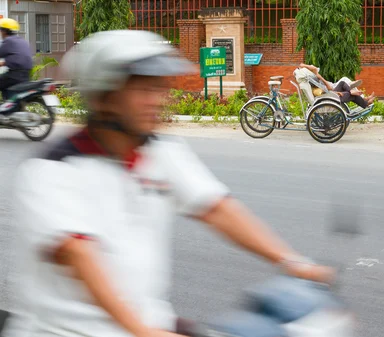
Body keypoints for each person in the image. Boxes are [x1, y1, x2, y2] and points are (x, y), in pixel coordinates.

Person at [2, 30, 334, 337]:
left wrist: (294, 263)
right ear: (104, 95)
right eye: (144, 90)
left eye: (160, 88)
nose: (158, 100)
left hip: (147, 323)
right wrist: (143, 332)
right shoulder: (51, 171)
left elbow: (217, 208)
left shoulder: (162, 152)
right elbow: (81, 257)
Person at [296, 64, 375, 109]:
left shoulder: (314, 82)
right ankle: (364, 102)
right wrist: (321, 78)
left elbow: (313, 69)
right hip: (331, 94)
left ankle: (362, 98)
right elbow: (327, 89)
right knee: (346, 85)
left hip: (331, 93)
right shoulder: (316, 85)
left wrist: (304, 66)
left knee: (345, 83)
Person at [0, 18, 33, 103]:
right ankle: (10, 105)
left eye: (1, 30)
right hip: (26, 74)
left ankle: (6, 107)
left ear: (4, 31)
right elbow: (18, 57)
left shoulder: (8, 41)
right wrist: (5, 63)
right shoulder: (22, 41)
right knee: (7, 85)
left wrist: (4, 62)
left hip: (14, 75)